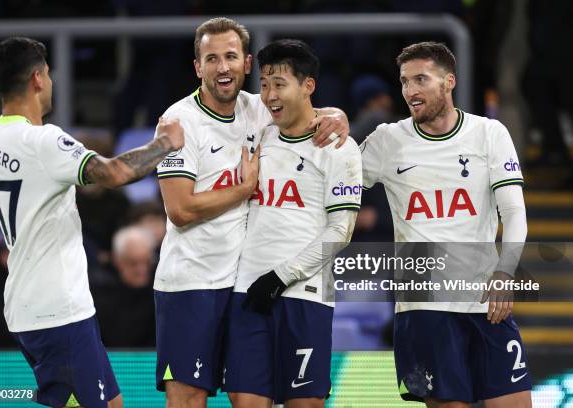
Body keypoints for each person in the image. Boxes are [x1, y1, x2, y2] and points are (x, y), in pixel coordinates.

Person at [0, 37, 184, 408]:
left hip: (29, 305)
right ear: (36, 79)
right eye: (48, 74)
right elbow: (113, 174)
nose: (50, 82)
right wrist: (164, 143)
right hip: (56, 311)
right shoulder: (44, 141)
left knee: (111, 403)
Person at [154, 17, 350, 408]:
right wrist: (244, 189)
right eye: (211, 59)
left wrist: (337, 114)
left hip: (244, 284)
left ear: (246, 63)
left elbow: (300, 106)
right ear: (198, 68)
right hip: (192, 281)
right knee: (189, 397)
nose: (221, 67)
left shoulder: (256, 108)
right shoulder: (178, 122)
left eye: (230, 57)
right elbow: (180, 209)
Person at [361, 42, 531, 407]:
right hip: (425, 308)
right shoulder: (387, 140)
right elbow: (333, 184)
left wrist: (505, 273)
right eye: (405, 82)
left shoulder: (489, 133)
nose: (410, 91)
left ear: (449, 81)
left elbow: (514, 212)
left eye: (421, 79)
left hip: (486, 300)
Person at [223, 39, 362, 408]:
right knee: (245, 400)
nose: (269, 95)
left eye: (280, 84)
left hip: (304, 296)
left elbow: (341, 231)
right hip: (248, 291)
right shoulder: (259, 133)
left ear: (308, 86)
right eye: (264, 84)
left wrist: (281, 276)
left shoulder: (338, 147)